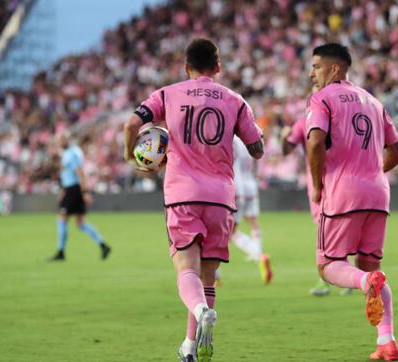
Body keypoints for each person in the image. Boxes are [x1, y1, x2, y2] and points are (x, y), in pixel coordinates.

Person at [123, 38, 263, 362]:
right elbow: (257, 149)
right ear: (218, 67)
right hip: (221, 197)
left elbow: (132, 123)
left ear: (186, 67)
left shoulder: (167, 93)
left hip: (182, 193)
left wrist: (132, 157)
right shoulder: (235, 100)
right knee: (207, 276)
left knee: (186, 269)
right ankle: (190, 347)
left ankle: (201, 312)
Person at [305, 43, 398, 360]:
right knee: (372, 265)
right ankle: (386, 342)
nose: (312, 73)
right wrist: (372, 171)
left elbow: (315, 142)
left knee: (328, 266)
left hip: (343, 193)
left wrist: (319, 185)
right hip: (378, 192)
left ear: (335, 69)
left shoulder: (322, 99)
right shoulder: (375, 102)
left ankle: (364, 282)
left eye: (317, 66)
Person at [281, 95, 352, 297]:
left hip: (332, 183)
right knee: (330, 229)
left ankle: (330, 278)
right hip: (324, 183)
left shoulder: (334, 121)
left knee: (329, 229)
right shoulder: (304, 123)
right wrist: (282, 137)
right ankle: (343, 274)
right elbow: (288, 148)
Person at [49, 132, 111, 261]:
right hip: (70, 189)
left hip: (74, 190)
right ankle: (103, 245)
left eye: (62, 139)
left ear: (67, 140)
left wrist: (84, 192)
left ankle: (61, 252)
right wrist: (64, 190)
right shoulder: (68, 153)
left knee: (61, 219)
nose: (60, 142)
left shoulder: (72, 153)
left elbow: (80, 173)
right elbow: (68, 174)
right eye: (59, 140)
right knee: (80, 222)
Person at [230, 137, 273, 284]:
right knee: (253, 223)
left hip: (235, 185)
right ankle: (258, 252)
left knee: (230, 231)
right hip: (250, 184)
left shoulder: (232, 136)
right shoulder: (249, 135)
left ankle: (257, 253)